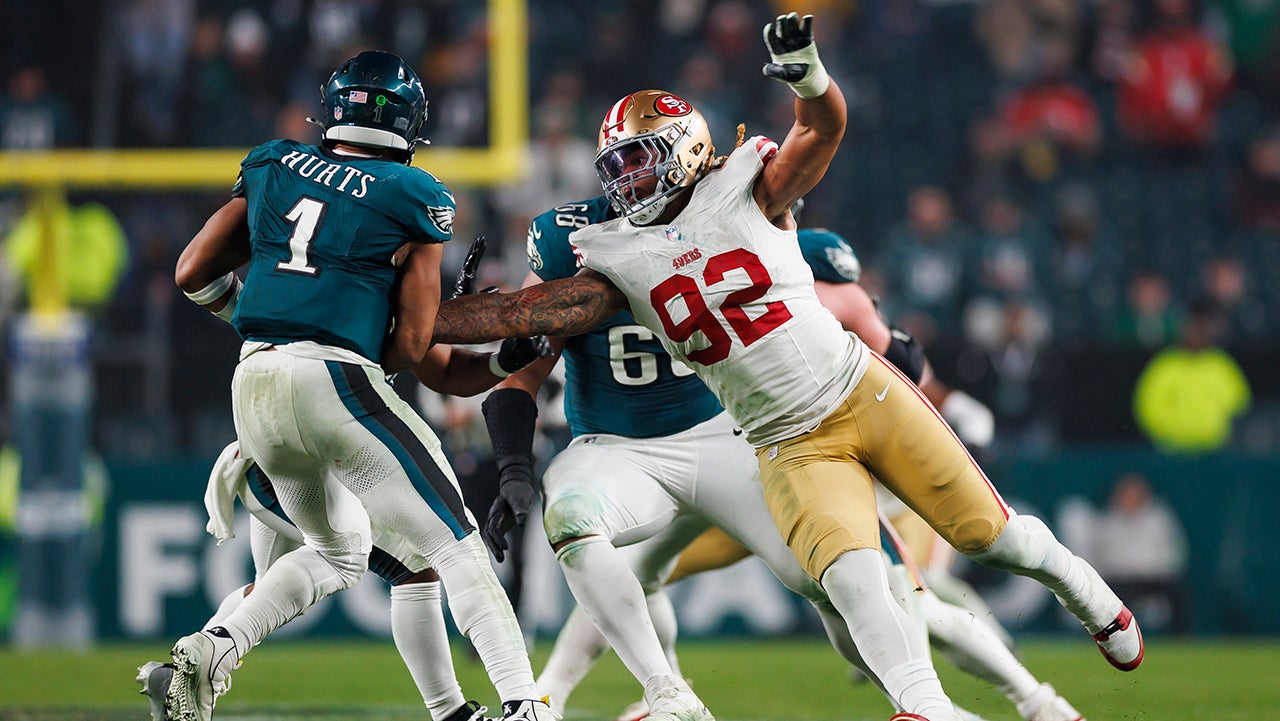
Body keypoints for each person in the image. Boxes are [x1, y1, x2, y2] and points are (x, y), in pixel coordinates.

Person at [433, 13, 1143, 721]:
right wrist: (430, 319)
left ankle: (1074, 622)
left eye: (641, 160)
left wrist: (809, 73)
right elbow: (534, 316)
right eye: (616, 166)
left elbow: (823, 132)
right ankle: (914, 706)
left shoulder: (751, 185)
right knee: (848, 573)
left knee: (985, 539)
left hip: (828, 397)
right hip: (767, 437)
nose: (627, 180)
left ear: (686, 150)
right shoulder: (608, 248)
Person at [529, 227, 1079, 721]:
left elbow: (897, 365)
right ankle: (637, 697)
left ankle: (1022, 703)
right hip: (742, 463)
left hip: (794, 465)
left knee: (903, 596)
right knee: (635, 570)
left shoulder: (803, 281)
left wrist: (916, 372)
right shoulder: (721, 270)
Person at [161, 51, 555, 721]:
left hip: (253, 382)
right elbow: (410, 350)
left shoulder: (274, 163)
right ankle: (524, 704)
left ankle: (217, 643)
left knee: (340, 552)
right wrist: (404, 323)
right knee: (455, 540)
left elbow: (192, 271)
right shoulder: (416, 194)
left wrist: (269, 321)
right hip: (334, 382)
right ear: (411, 125)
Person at [139, 314, 552, 721]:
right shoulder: (375, 270)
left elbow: (201, 280)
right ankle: (216, 648)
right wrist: (458, 323)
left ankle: (188, 669)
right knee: (389, 554)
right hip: (314, 429)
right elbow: (425, 357)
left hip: (262, 428)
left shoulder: (289, 271)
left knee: (279, 587)